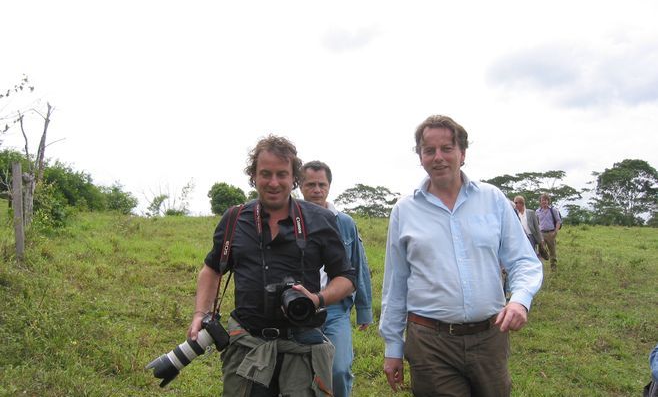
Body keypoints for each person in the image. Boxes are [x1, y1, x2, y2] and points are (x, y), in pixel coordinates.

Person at [379, 115, 543, 396]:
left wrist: (519, 301)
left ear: (462, 154)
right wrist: (393, 347)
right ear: (420, 157)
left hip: (490, 338)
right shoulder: (404, 211)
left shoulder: (492, 200)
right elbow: (396, 284)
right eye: (429, 150)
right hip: (430, 343)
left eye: (447, 148)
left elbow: (523, 261)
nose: (438, 157)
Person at [188, 135, 356, 396]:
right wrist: (201, 313)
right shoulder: (235, 218)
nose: (274, 182)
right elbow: (212, 269)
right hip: (249, 344)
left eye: (282, 174)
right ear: (254, 176)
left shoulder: (320, 220)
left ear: (294, 178)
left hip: (303, 345)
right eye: (265, 174)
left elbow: (345, 277)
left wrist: (317, 298)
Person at [300, 160, 374, 397]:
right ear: (300, 186)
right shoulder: (291, 220)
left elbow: (358, 265)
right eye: (310, 184)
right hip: (299, 309)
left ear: (329, 186)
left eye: (322, 184)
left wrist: (364, 309)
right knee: (301, 371)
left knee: (339, 370)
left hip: (335, 308)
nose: (317, 190)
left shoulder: (344, 223)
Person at [536, 193, 561, 271]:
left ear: (548, 201)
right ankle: (540, 268)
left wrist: (555, 232)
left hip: (551, 233)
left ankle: (553, 268)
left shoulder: (553, 210)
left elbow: (558, 221)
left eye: (546, 200)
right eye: (543, 200)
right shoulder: (537, 211)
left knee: (552, 251)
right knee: (541, 251)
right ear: (540, 201)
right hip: (541, 233)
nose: (544, 202)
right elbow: (536, 223)